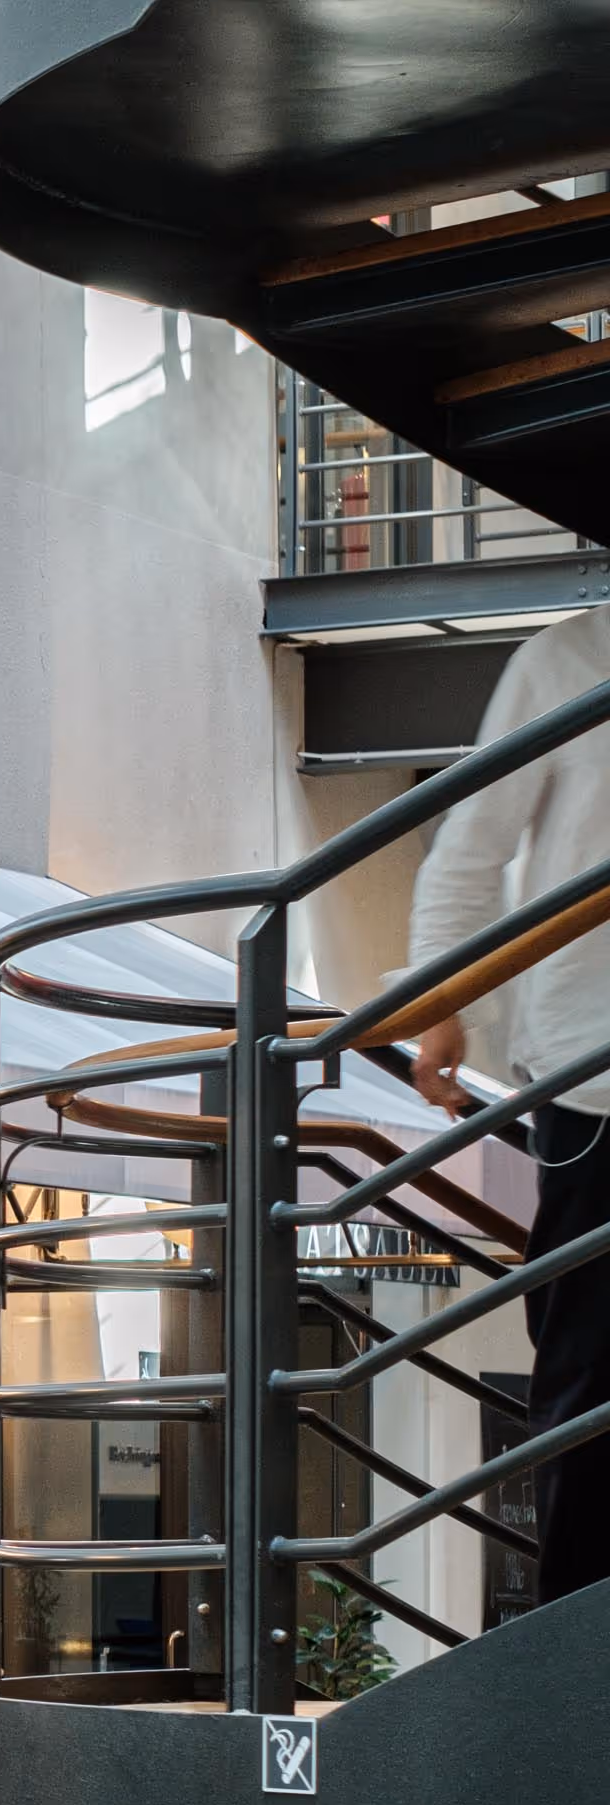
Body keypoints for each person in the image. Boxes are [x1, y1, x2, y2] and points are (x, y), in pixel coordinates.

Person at [409, 599, 610, 1605]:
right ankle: (578, 1652)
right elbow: (469, 846)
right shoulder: (569, 660)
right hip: (593, 1081)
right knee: (585, 1369)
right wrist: (443, 1007)